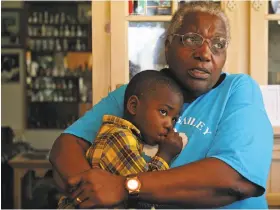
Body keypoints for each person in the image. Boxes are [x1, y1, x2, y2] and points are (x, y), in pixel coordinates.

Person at [49, 1, 273, 209]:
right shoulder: (143, 90)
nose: (205, 53)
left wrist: (125, 187)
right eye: (193, 39)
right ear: (168, 46)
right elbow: (67, 146)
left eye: (218, 45)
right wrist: (91, 193)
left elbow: (236, 179)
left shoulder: (238, 90)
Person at [57, 70, 184, 209]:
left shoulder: (122, 135)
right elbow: (146, 195)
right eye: (163, 112)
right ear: (133, 106)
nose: (169, 125)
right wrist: (165, 155)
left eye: (174, 119)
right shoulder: (120, 138)